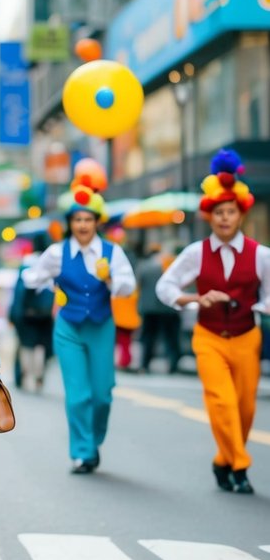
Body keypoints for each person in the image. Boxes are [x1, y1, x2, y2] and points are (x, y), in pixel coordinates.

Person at [156, 149, 270, 494]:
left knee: (245, 407)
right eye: (218, 212)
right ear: (210, 216)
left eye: (230, 212)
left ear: (240, 214)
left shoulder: (261, 254)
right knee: (220, 401)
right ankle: (240, 466)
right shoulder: (195, 253)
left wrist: (257, 306)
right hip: (208, 337)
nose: (224, 218)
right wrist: (195, 298)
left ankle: (223, 460)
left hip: (246, 335)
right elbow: (166, 286)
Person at [22, 178, 136, 474]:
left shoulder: (112, 253)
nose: (83, 225)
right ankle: (82, 452)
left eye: (88, 219)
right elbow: (31, 277)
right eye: (77, 219)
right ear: (70, 222)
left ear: (97, 222)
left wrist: (110, 278)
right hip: (68, 327)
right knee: (78, 394)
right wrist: (51, 287)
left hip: (101, 326)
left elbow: (128, 286)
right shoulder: (58, 253)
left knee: (102, 394)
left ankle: (93, 440)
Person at [9, 250, 54, 391]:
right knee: (41, 347)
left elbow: (18, 297)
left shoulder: (25, 267)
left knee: (26, 346)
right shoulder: (50, 264)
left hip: (26, 317)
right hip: (45, 317)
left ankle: (24, 374)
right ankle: (38, 377)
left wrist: (13, 317)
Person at [138, 244, 182, 373]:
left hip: (149, 308)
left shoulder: (144, 266)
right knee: (171, 338)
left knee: (148, 338)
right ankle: (173, 364)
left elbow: (138, 284)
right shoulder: (172, 265)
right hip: (169, 307)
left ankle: (145, 365)